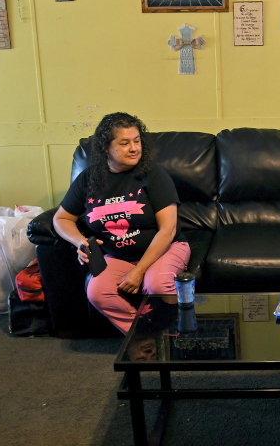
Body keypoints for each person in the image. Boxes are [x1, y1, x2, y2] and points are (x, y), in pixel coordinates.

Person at [53, 112, 190, 335]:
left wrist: (140, 271)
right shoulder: (89, 178)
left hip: (163, 250)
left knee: (155, 284)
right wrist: (80, 242)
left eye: (137, 141)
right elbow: (61, 218)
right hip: (117, 256)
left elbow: (168, 229)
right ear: (106, 147)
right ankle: (144, 337)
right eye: (124, 143)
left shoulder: (152, 175)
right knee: (97, 291)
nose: (134, 148)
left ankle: (171, 339)